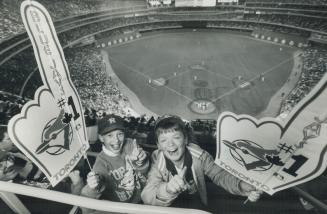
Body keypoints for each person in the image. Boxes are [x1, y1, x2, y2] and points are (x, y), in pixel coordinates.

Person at [141, 115, 261, 209]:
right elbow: (147, 196)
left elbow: (219, 175)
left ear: (186, 139)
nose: (170, 144)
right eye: (164, 140)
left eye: (176, 137)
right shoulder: (158, 161)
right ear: (158, 146)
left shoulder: (200, 156)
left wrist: (240, 185)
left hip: (195, 205)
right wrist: (167, 190)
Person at [81, 114, 149, 212]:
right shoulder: (101, 164)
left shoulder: (130, 144)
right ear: (101, 138)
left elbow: (144, 173)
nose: (116, 140)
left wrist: (141, 161)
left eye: (120, 134)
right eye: (110, 135)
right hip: (118, 209)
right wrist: (93, 187)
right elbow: (87, 202)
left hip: (141, 203)